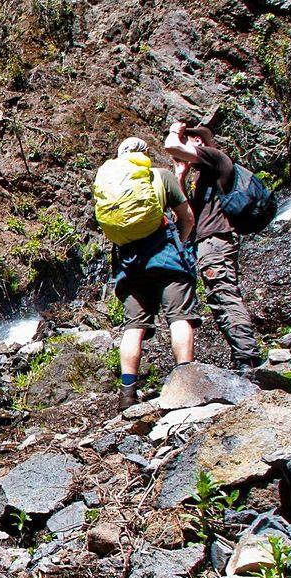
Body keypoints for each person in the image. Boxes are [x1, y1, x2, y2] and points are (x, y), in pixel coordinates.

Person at [105, 137, 201, 411]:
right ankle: (186, 383)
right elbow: (188, 217)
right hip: (167, 259)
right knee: (180, 318)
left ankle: (127, 394)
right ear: (145, 154)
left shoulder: (112, 186)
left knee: (134, 326)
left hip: (131, 266)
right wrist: (180, 243)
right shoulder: (162, 177)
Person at [163, 122, 263, 369]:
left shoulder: (215, 157)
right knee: (218, 295)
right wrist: (181, 175)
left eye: (189, 139)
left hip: (217, 239)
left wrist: (176, 130)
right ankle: (242, 354)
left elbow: (170, 145)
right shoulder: (203, 175)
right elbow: (185, 214)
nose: (184, 143)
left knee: (223, 293)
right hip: (208, 241)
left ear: (198, 141)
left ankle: (246, 357)